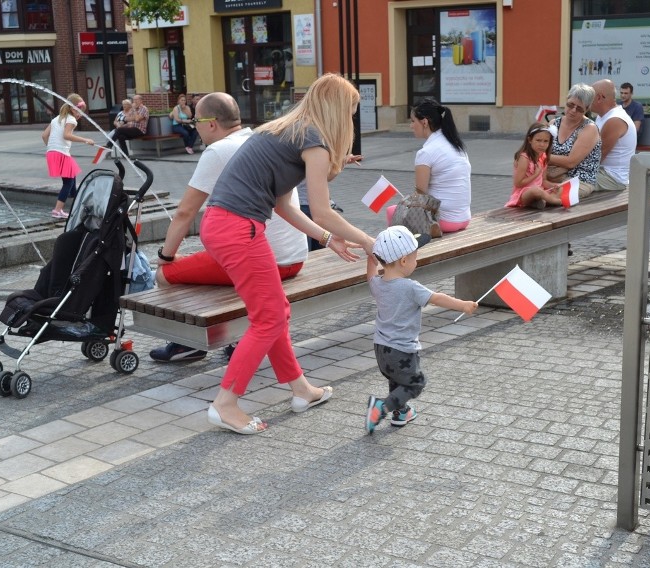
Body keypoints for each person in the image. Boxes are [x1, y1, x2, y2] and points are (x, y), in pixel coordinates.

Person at [200, 73, 376, 434]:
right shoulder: (313, 140)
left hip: (224, 225)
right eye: (352, 113)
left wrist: (328, 239)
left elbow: (284, 206)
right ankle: (225, 403)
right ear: (339, 110)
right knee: (269, 317)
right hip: (239, 229)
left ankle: (301, 390)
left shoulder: (285, 131)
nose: (352, 121)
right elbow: (323, 211)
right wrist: (374, 244)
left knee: (274, 311)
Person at [151, 92, 309, 363]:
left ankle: (188, 344)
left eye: (196, 120)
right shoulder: (261, 139)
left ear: (211, 123)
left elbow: (185, 212)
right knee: (215, 264)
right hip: (296, 256)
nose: (195, 126)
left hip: (269, 259)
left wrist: (166, 257)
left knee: (166, 276)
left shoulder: (218, 150)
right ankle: (235, 337)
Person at [364, 225, 477, 434]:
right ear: (404, 261)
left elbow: (370, 275)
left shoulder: (378, 284)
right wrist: (462, 305)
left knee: (398, 380)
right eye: (415, 257)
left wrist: (370, 259)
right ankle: (383, 407)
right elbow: (437, 298)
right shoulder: (410, 287)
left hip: (381, 349)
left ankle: (401, 412)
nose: (417, 261)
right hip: (402, 350)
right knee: (416, 383)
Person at [386, 98, 472, 233]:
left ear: (424, 122)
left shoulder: (426, 152)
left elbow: (421, 195)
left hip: (444, 221)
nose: (411, 126)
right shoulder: (456, 145)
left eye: (413, 121)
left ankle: (403, 253)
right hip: (464, 218)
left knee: (392, 211)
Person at [41, 93, 94, 219]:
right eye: (79, 111)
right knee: (68, 182)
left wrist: (52, 147)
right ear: (72, 108)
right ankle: (57, 210)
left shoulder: (57, 119)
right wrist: (86, 140)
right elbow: (67, 135)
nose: (80, 114)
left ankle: (78, 205)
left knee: (71, 180)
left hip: (52, 153)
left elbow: (44, 135)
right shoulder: (71, 120)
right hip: (61, 153)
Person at [547, 83, 601, 198]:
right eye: (570, 105)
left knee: (552, 194)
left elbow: (571, 161)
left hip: (580, 179)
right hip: (554, 175)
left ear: (586, 109)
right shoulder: (554, 123)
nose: (573, 110)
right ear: (566, 101)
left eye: (579, 109)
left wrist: (543, 156)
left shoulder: (589, 128)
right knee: (528, 188)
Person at [591, 79, 636, 191]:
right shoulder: (602, 116)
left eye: (589, 96)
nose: (586, 100)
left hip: (613, 178)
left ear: (599, 98)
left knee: (566, 181)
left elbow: (596, 158)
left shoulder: (614, 120)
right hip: (603, 173)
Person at [506, 122, 563, 209]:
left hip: (540, 190)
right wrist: (536, 174)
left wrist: (554, 186)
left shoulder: (543, 156)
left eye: (545, 141)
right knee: (536, 191)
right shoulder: (524, 158)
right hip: (524, 194)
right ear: (530, 140)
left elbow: (544, 181)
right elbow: (518, 183)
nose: (542, 144)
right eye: (538, 140)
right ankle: (555, 201)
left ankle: (540, 202)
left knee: (561, 187)